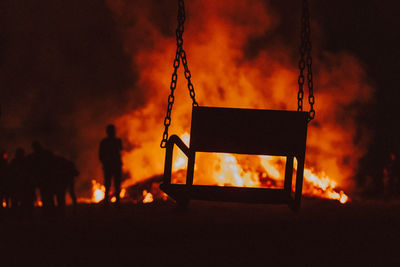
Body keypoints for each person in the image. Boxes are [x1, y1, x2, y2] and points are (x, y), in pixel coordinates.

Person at [99, 124, 123, 205]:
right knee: (109, 184)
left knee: (115, 184)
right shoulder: (111, 142)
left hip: (112, 165)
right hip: (111, 165)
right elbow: (101, 155)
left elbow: (101, 155)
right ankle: (109, 201)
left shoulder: (113, 141)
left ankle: (116, 201)